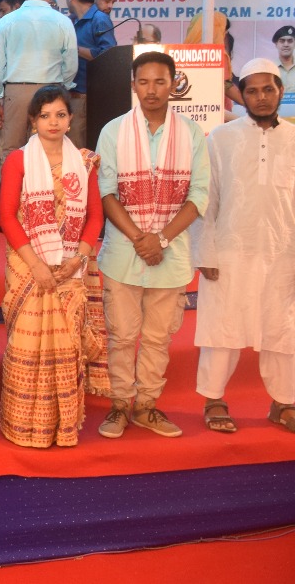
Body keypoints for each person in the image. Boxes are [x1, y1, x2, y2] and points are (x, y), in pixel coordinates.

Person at [95, 51, 209, 440]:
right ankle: (119, 405)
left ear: (173, 85)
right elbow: (107, 192)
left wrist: (160, 239)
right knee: (122, 336)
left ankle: (146, 406)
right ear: (133, 85)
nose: (152, 90)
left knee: (159, 339)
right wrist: (139, 239)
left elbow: (199, 195)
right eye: (144, 82)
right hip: (123, 254)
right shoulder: (113, 131)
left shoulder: (191, 133)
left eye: (160, 81)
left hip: (171, 254)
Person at [191, 58, 295, 434]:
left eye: (268, 89)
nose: (261, 97)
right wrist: (204, 250)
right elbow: (206, 199)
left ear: (281, 91)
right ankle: (214, 399)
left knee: (283, 328)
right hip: (229, 250)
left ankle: (284, 402)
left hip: (282, 252)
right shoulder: (221, 138)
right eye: (252, 90)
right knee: (223, 327)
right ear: (242, 94)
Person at [0, 85, 105, 448]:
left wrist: (78, 258)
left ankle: (62, 427)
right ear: (33, 121)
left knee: (65, 348)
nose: (53, 122)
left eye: (60, 115)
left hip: (71, 265)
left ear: (71, 120)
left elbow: (95, 216)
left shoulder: (85, 163)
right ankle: (21, 425)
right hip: (28, 265)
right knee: (27, 344)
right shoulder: (18, 161)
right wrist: (36, 265)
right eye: (45, 116)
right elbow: (6, 216)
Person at [0, 0, 78, 163]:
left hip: (16, 92)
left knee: (11, 150)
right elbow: (71, 65)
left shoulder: (7, 21)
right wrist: (62, 87)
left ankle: (12, 184)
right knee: (50, 149)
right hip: (52, 91)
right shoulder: (63, 21)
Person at [65, 0, 115, 149]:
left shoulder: (99, 19)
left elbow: (108, 55)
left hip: (87, 96)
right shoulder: (70, 21)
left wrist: (73, 49)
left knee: (79, 150)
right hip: (69, 94)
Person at [274, 24, 295, 93]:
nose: (286, 45)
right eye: (282, 41)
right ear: (276, 44)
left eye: (290, 41)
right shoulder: (270, 69)